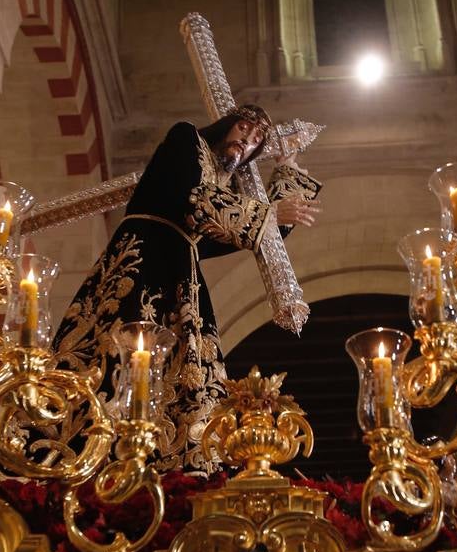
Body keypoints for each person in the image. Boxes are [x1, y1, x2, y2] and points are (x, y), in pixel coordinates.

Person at [52, 105, 321, 475]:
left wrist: (288, 173)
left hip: (183, 275)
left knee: (186, 376)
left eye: (258, 141)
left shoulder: (221, 188)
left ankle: (172, 463)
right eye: (244, 128)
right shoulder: (185, 138)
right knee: (115, 354)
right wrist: (270, 213)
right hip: (143, 261)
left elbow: (235, 237)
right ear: (226, 125)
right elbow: (193, 197)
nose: (247, 140)